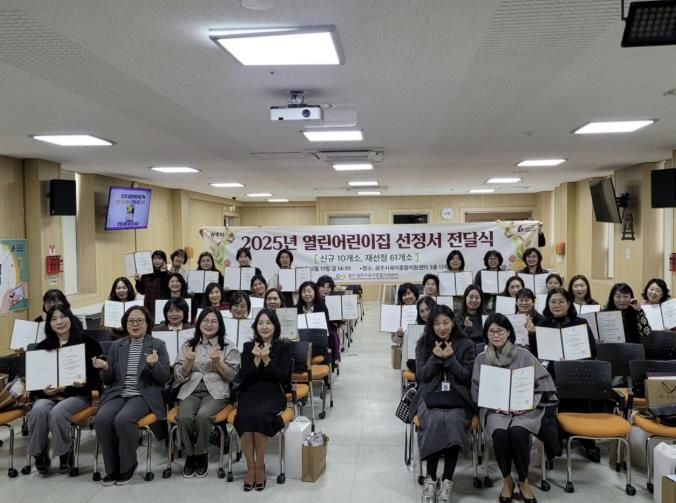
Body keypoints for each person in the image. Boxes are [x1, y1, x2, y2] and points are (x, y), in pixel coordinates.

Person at [471, 314, 557, 503]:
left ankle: (523, 480)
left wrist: (528, 403)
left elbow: (543, 382)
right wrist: (494, 404)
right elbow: (476, 390)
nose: (496, 335)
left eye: (500, 331)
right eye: (491, 331)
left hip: (524, 409)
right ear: (486, 334)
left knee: (518, 433)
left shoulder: (524, 354)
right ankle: (507, 480)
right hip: (495, 410)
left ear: (508, 332)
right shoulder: (481, 359)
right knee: (500, 434)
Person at [91, 306, 171, 486]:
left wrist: (154, 366)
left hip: (143, 395)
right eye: (131, 321)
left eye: (139, 320)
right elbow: (108, 380)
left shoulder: (157, 345)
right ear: (125, 324)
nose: (135, 324)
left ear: (147, 323)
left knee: (123, 419)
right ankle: (112, 468)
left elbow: (164, 378)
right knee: (102, 418)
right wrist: (105, 368)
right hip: (118, 393)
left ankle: (128, 465)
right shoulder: (117, 345)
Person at [409, 305, 476, 503]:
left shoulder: (466, 344)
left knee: (453, 420)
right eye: (437, 324)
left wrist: (451, 359)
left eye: (446, 322)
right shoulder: (423, 344)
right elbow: (422, 376)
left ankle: (447, 479)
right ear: (431, 326)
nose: (442, 327)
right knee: (435, 419)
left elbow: (467, 377)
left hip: (458, 396)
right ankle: (430, 478)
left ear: (453, 322)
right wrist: (435, 358)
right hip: (430, 395)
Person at [27, 305, 102, 475]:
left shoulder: (89, 343)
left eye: (62, 317)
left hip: (78, 395)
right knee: (38, 411)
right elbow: (35, 383)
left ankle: (64, 453)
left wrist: (84, 383)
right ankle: (39, 453)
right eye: (54, 319)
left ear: (70, 318)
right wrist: (44, 392)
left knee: (58, 412)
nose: (59, 322)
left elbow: (98, 377)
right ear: (49, 324)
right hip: (49, 396)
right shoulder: (42, 347)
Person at [174, 308, 240, 478]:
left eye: (213, 321)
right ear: (199, 323)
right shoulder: (188, 345)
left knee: (203, 416)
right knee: (184, 417)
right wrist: (188, 363)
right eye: (205, 320)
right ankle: (190, 454)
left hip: (216, 392)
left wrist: (219, 363)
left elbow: (233, 376)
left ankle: (201, 453)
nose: (209, 324)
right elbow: (178, 376)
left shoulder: (228, 346)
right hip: (190, 389)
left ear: (220, 325)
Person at [234, 308, 292, 492]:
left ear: (275, 326)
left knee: (259, 416)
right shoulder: (247, 346)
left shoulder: (284, 346)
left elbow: (283, 378)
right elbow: (244, 376)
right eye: (260, 323)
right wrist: (256, 360)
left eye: (268, 323)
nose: (264, 327)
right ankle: (250, 467)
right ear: (255, 326)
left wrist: (266, 359)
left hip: (273, 391)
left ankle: (260, 466)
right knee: (245, 416)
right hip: (250, 390)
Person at [531, 287, 596, 360]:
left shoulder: (580, 323)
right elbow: (535, 353)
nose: (557, 305)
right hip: (551, 365)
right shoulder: (542, 324)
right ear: (548, 304)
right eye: (553, 302)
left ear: (568, 304)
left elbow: (592, 351)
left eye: (561, 301)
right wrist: (532, 334)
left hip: (576, 364)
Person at [296, 281, 338, 360]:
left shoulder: (322, 307)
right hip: (301, 342)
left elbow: (326, 327)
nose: (307, 294)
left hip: (318, 342)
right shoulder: (296, 308)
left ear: (315, 292)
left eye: (309, 291)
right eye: (304, 292)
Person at [404, 296, 438, 372]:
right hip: (423, 360)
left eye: (428, 309)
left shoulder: (441, 326)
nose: (425, 313)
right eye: (422, 311)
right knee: (410, 362)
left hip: (438, 359)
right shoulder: (417, 328)